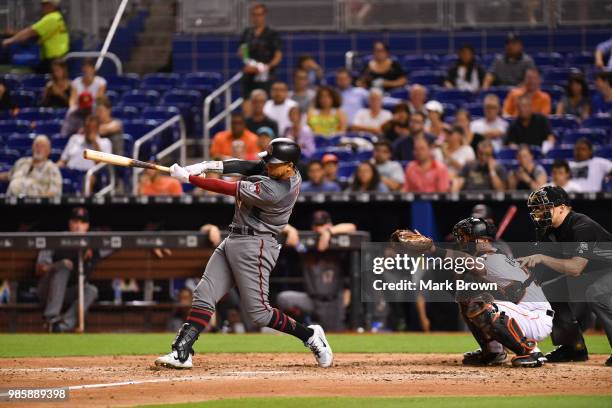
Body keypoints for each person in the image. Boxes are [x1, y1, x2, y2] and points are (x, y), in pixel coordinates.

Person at [155, 138, 334, 369]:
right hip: (234, 238)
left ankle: (309, 335)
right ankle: (182, 352)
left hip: (256, 245)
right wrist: (206, 165)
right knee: (204, 292)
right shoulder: (281, 170)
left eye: (274, 163)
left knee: (259, 313)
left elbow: (227, 188)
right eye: (269, 162)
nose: (268, 166)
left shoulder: (276, 190)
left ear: (290, 166)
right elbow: (248, 165)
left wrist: (190, 179)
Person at [428, 217, 552, 367]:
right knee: (466, 298)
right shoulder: (493, 256)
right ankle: (493, 352)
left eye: (468, 238)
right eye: (462, 238)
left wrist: (434, 249)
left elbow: (466, 260)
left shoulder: (493, 259)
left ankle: (531, 352)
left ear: (484, 241)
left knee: (481, 304)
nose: (463, 242)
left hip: (536, 318)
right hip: (522, 313)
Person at [520, 186, 612, 366]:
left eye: (543, 207)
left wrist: (541, 258)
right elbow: (542, 265)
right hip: (592, 272)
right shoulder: (546, 228)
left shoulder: (582, 226)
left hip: (607, 269)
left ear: (562, 207)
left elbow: (575, 268)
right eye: (536, 208)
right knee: (549, 290)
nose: (538, 212)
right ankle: (573, 347)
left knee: (597, 293)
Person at [277, 211, 356, 331]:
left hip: (333, 301)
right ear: (313, 226)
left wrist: (329, 232)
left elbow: (352, 227)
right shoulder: (305, 249)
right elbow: (277, 224)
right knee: (284, 298)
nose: (320, 228)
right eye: (317, 225)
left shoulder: (336, 245)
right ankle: (298, 327)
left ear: (329, 224)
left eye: (323, 224)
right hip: (311, 300)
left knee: (336, 336)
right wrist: (291, 231)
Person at [36, 207, 98, 332]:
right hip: (48, 291)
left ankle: (61, 326)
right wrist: (58, 265)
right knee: (64, 267)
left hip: (69, 293)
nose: (78, 226)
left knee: (91, 290)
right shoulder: (56, 240)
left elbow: (117, 242)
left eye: (82, 223)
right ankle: (51, 319)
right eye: (75, 222)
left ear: (87, 226)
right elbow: (39, 269)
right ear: (70, 223)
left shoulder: (92, 245)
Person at [1, 0, 69, 74]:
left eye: (44, 4)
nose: (42, 7)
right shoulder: (57, 17)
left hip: (54, 60)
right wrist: (13, 33)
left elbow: (29, 32)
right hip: (54, 57)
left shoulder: (51, 18)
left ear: (51, 5)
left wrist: (9, 40)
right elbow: (37, 32)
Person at [238, 3, 282, 106]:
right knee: (247, 100)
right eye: (254, 15)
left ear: (264, 15)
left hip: (266, 75)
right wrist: (248, 63)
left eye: (259, 15)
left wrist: (263, 68)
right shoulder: (247, 32)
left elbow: (278, 56)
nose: (257, 18)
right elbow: (242, 50)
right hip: (250, 73)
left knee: (264, 102)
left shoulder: (272, 34)